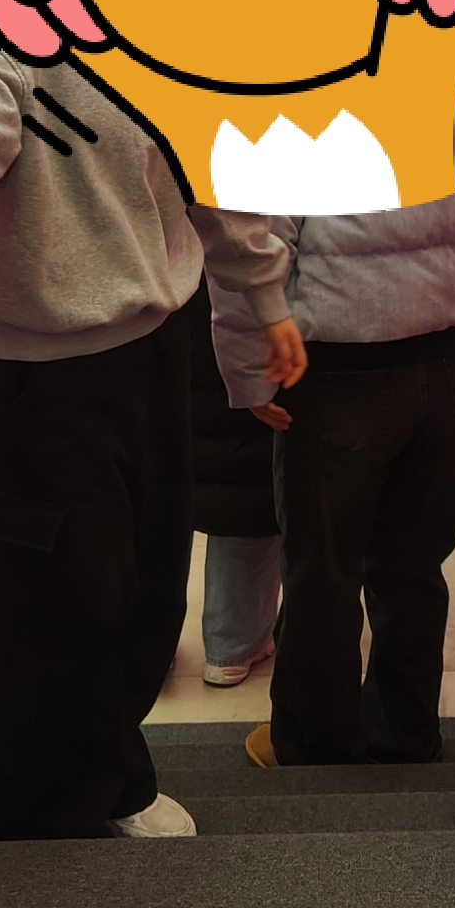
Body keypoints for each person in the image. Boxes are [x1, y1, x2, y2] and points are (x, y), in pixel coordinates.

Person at [0, 40, 305, 841]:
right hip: (34, 365)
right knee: (55, 606)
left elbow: (210, 162)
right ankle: (47, 825)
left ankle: (113, 774)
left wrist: (262, 293)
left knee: (148, 588)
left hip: (154, 338)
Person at [211, 89, 455, 767]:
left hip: (328, 366)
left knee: (322, 566)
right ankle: (406, 732)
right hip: (436, 361)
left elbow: (252, 248)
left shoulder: (288, 104)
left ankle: (314, 742)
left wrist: (247, 372)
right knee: (414, 564)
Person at [183, 282, 281, 686]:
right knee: (248, 488)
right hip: (256, 333)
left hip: (168, 316)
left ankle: (146, 648)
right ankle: (234, 643)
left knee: (160, 504)